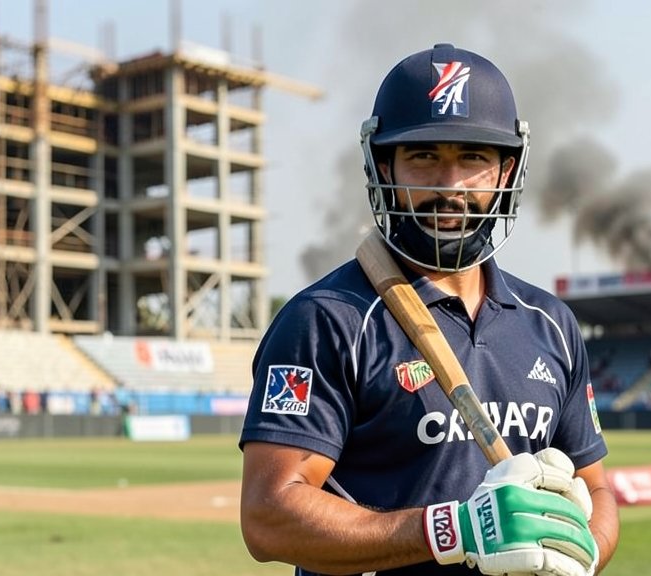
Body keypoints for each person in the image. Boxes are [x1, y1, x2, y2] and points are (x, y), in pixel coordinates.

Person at [239, 43, 619, 575]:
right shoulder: (327, 320)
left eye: (473, 158)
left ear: (506, 171)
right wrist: (455, 530)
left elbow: (596, 488)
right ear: (382, 165)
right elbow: (268, 515)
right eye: (423, 157)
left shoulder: (551, 324)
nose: (450, 187)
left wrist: (579, 552)